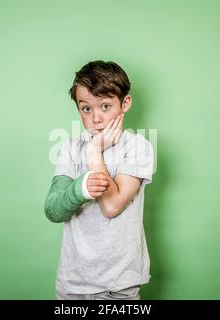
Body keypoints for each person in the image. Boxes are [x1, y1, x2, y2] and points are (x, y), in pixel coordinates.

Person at [44, 60, 155, 300]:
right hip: (73, 283)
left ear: (125, 103)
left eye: (105, 106)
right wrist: (80, 189)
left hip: (120, 284)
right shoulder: (70, 148)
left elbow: (111, 206)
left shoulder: (137, 147)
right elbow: (54, 211)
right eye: (86, 108)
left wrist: (94, 152)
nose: (96, 118)